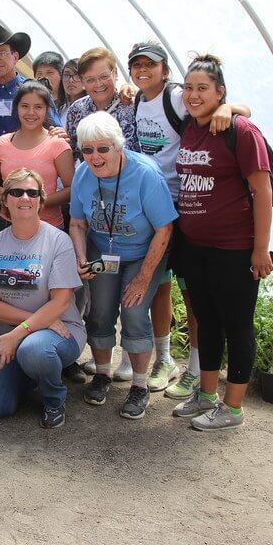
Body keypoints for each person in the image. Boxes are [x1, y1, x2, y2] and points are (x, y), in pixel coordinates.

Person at [126, 40, 252, 397]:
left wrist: (228, 107)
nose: (142, 70)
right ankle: (165, 360)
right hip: (155, 206)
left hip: (187, 205)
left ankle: (197, 368)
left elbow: (237, 106)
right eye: (136, 65)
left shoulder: (178, 96)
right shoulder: (137, 98)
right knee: (160, 288)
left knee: (192, 293)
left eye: (150, 64)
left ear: (166, 70)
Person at [170, 55, 273, 431]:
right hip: (196, 245)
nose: (194, 95)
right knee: (208, 320)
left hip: (234, 248)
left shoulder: (242, 131)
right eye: (189, 88)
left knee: (237, 325)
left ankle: (232, 409)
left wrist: (260, 249)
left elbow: (262, 191)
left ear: (220, 92)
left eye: (203, 89)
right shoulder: (189, 126)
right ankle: (207, 394)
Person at [69, 112, 177, 419]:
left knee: (133, 309)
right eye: (87, 150)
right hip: (104, 253)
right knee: (100, 310)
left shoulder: (145, 174)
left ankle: (139, 386)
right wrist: (80, 258)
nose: (95, 157)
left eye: (103, 149)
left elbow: (164, 229)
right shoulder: (82, 174)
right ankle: (102, 373)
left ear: (119, 146)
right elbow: (77, 223)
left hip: (144, 253)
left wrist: (143, 278)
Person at [0, 169, 85, 428]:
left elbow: (60, 303)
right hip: (10, 334)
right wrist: (25, 327)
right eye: (16, 192)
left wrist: (20, 333)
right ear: (4, 201)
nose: (25, 197)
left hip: (61, 332)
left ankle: (54, 399)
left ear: (40, 201)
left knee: (34, 349)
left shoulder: (59, 241)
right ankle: (33, 373)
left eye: (32, 193)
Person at [0, 80, 73, 228]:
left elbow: (71, 190)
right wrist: (5, 195)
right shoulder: (0, 144)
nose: (31, 112)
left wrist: (36, 202)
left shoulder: (58, 144)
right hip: (8, 225)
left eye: (38, 107)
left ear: (47, 110)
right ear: (16, 108)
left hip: (48, 226)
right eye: (25, 106)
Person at [64, 48, 139, 159]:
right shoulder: (77, 109)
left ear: (115, 73)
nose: (98, 84)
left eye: (104, 77)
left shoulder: (132, 105)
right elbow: (73, 154)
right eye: (90, 79)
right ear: (82, 81)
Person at [58, 59, 86, 123]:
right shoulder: (61, 109)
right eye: (66, 75)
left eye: (77, 76)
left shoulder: (91, 107)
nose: (71, 80)